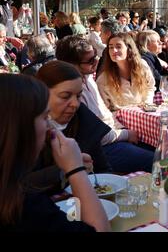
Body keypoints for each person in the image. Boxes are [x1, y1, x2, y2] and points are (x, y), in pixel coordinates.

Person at [0, 74, 110, 232]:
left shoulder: (84, 121)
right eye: (45, 118)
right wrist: (75, 170)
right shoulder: (21, 205)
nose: (48, 127)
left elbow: (104, 167)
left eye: (79, 96)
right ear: (20, 126)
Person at [55, 35, 154, 173]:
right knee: (156, 160)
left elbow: (105, 114)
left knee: (159, 149)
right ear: (71, 64)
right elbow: (96, 136)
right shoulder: (73, 92)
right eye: (90, 60)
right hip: (100, 149)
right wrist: (125, 134)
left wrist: (124, 130)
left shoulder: (89, 79)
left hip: (113, 137)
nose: (96, 61)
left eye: (95, 55)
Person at [31, 61, 112, 193]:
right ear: (42, 94)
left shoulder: (84, 120)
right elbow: (16, 185)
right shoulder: (24, 128)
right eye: (65, 96)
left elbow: (104, 171)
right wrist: (66, 169)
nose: (75, 104)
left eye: (79, 96)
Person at [96, 32, 156, 111]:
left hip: (143, 115)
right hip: (119, 120)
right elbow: (104, 110)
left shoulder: (142, 66)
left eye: (118, 46)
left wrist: (146, 105)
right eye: (110, 47)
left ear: (129, 49)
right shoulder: (103, 80)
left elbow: (150, 87)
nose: (114, 50)